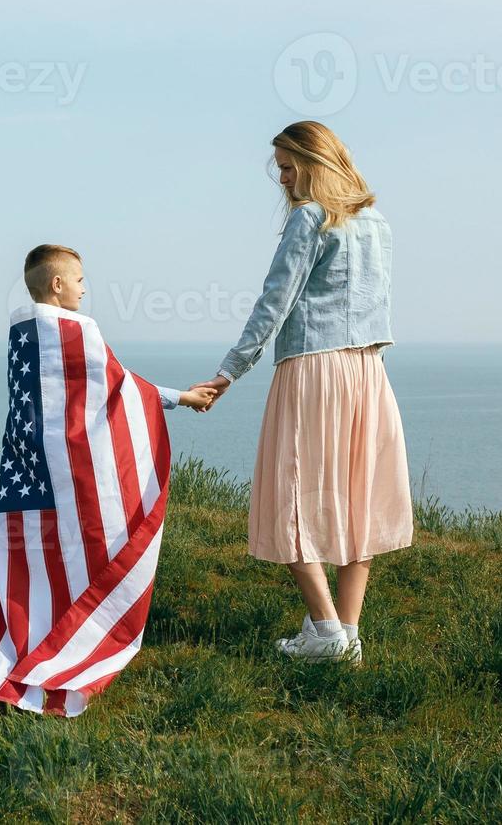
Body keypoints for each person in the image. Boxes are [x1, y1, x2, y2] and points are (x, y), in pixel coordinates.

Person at [197, 121, 413, 665]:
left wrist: (230, 369)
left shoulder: (310, 219)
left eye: (289, 167)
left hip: (313, 369)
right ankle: (347, 632)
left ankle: (326, 630)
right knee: (357, 495)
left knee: (291, 495)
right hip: (367, 371)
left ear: (315, 163)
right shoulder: (377, 222)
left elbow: (276, 300)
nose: (283, 179)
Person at [24, 244, 217, 413]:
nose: (83, 289)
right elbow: (121, 386)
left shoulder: (23, 332)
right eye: (79, 281)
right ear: (57, 284)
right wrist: (184, 398)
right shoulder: (76, 333)